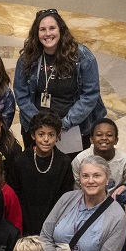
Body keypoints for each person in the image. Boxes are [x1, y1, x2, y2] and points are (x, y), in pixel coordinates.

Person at [13, 9, 106, 151]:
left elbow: (90, 94)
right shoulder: (28, 57)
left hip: (72, 127)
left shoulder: (82, 56)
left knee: (69, 169)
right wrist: (40, 124)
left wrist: (63, 124)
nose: (48, 34)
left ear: (61, 30)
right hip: (37, 126)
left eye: (52, 28)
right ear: (36, 33)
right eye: (42, 29)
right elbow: (21, 93)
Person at [11, 110, 75, 237]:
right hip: (24, 221)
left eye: (51, 135)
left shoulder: (63, 161)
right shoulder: (20, 160)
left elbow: (66, 194)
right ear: (33, 136)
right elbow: (15, 193)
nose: (46, 139)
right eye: (41, 134)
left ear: (57, 136)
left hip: (54, 222)